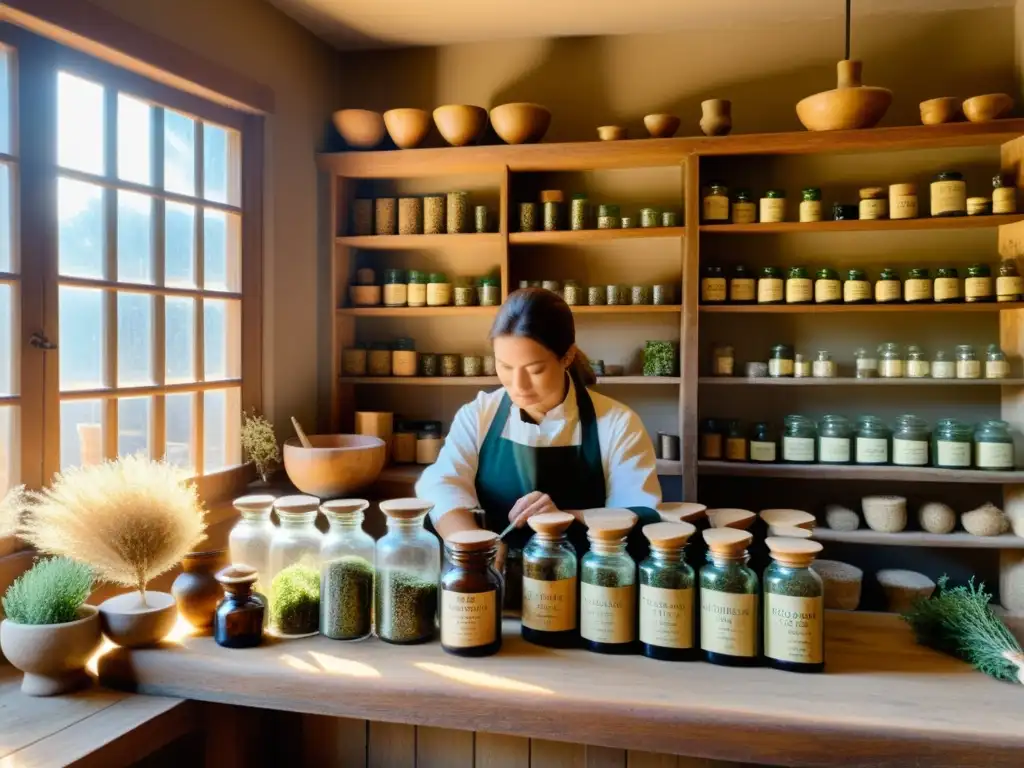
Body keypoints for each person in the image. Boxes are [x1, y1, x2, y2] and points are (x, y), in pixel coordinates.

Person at [415, 287, 662, 559]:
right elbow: (442, 486)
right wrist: (475, 551)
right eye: (505, 367)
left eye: (535, 370)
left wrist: (565, 517)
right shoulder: (478, 415)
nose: (518, 386)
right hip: (494, 579)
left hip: (587, 582)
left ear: (567, 357)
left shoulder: (617, 424)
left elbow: (640, 514)